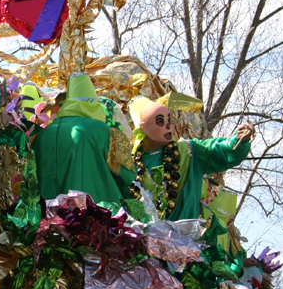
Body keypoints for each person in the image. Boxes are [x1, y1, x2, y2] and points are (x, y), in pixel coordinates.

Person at [128, 96, 255, 221]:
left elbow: (219, 150)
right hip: (140, 238)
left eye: (169, 120)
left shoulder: (189, 152)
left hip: (183, 238)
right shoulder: (128, 164)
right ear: (143, 127)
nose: (168, 126)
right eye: (160, 121)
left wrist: (238, 140)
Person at [32, 72, 136, 214]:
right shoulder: (104, 130)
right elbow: (127, 174)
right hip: (95, 217)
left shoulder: (42, 135)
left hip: (47, 218)